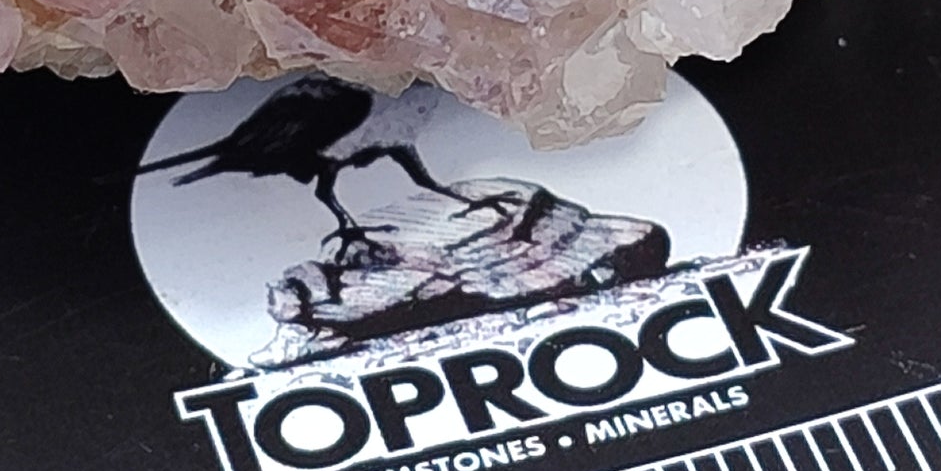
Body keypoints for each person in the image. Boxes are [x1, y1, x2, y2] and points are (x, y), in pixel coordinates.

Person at [143, 79, 672, 356]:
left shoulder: (413, 107)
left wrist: (463, 203)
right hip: (336, 141)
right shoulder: (347, 97)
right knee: (331, 185)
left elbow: (416, 170)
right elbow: (314, 163)